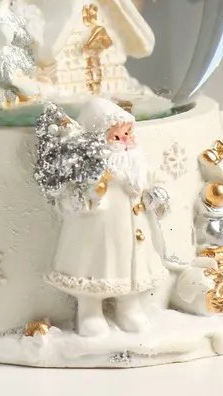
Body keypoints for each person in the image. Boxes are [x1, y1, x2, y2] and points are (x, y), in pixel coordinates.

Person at [46, 98, 170, 337]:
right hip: (98, 230)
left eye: (128, 134)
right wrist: (91, 195)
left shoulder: (137, 164)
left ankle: (128, 308)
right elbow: (71, 197)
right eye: (117, 136)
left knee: (129, 266)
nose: (125, 141)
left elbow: (154, 181)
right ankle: (89, 311)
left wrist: (157, 196)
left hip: (133, 229)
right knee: (95, 265)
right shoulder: (88, 168)